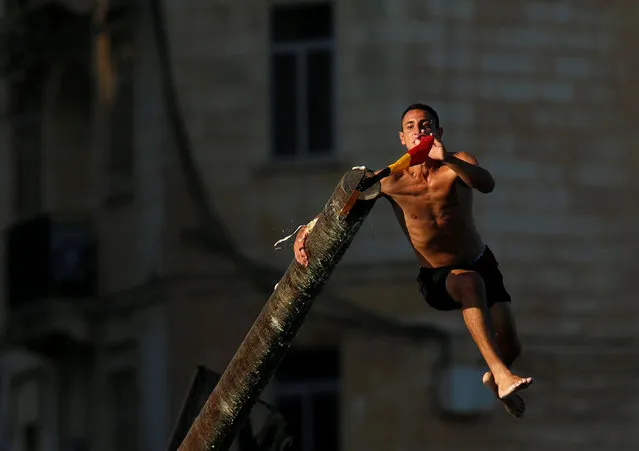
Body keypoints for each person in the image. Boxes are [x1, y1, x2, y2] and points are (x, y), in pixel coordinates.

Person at [293, 103, 533, 418]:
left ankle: (494, 376)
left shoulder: (457, 164)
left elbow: (486, 184)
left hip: (480, 261)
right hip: (438, 277)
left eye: (425, 124)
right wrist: (306, 231)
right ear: (402, 139)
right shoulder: (391, 181)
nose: (419, 130)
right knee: (470, 284)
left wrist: (445, 157)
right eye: (411, 127)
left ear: (438, 133)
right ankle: (501, 375)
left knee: (511, 344)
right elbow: (344, 203)